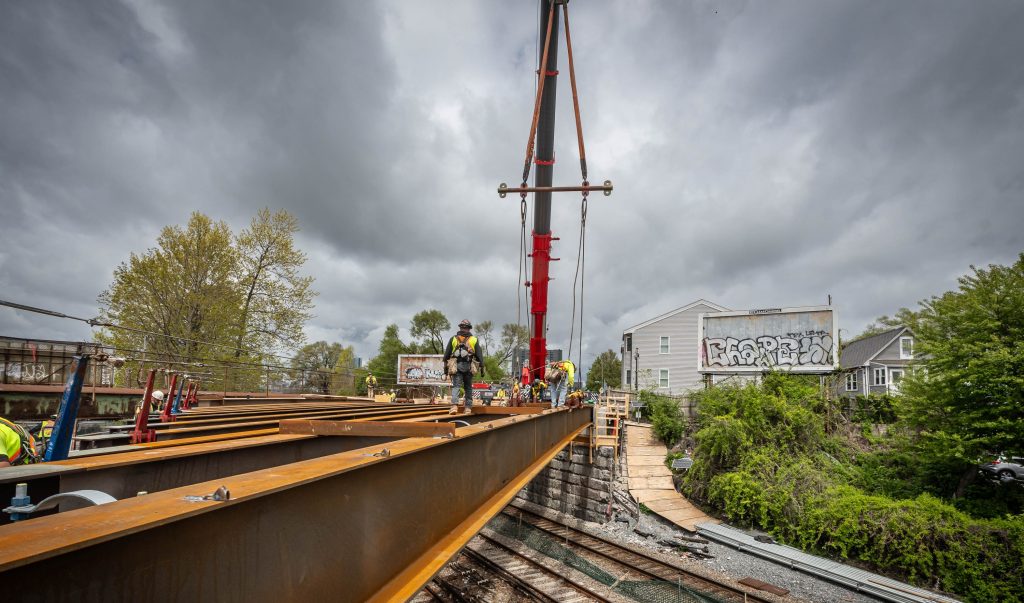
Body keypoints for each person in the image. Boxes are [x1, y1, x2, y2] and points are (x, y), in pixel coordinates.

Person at [443, 319, 484, 413]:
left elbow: (446, 355)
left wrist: (445, 370)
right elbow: (479, 355)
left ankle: (454, 406)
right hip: (469, 367)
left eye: (463, 327)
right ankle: (468, 408)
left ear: (461, 327)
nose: (464, 329)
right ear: (469, 329)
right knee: (468, 387)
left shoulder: (453, 339)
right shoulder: (473, 340)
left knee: (456, 386)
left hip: (457, 366)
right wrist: (482, 367)